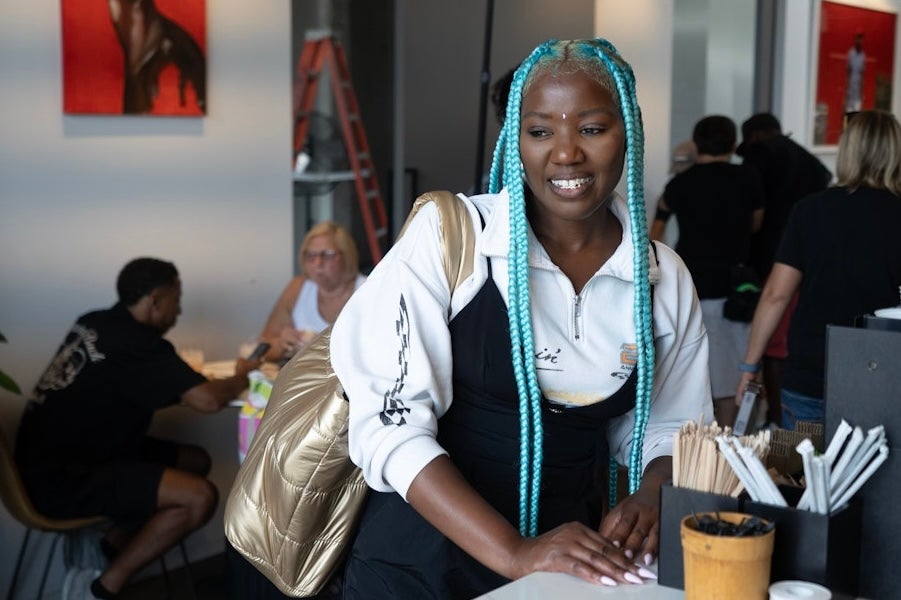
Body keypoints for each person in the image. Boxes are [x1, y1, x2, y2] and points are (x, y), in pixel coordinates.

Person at [329, 38, 713, 598]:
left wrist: (652, 491)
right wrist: (515, 552)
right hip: (420, 563)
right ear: (516, 139)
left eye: (591, 128)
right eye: (540, 131)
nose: (565, 153)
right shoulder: (452, 238)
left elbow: (673, 426)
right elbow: (389, 426)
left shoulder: (662, 276)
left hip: (570, 559)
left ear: (627, 131)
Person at [14, 257, 260, 599]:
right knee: (199, 498)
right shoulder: (141, 345)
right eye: (177, 298)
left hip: (39, 461)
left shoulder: (95, 322)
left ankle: (109, 547)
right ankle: (100, 588)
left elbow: (118, 382)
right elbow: (208, 401)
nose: (179, 310)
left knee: (195, 461)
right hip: (64, 478)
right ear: (156, 299)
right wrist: (242, 375)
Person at [736, 110, 901, 430]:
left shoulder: (811, 210)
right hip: (887, 374)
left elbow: (776, 295)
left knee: (803, 476)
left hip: (813, 371)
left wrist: (749, 365)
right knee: (883, 478)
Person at [650, 115, 764, 426]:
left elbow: (655, 234)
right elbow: (756, 223)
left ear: (696, 143)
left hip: (687, 285)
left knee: (689, 372)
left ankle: (698, 451)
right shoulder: (748, 177)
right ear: (733, 144)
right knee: (732, 377)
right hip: (734, 288)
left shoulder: (679, 184)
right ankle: (728, 450)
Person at [736, 113, 832, 425]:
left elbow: (755, 211)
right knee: (786, 340)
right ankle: (779, 417)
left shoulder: (760, 154)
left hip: (775, 260)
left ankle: (778, 419)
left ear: (753, 137)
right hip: (812, 260)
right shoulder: (806, 159)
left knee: (774, 344)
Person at [257, 221, 365, 363]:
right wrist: (283, 343)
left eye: (327, 255)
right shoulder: (298, 287)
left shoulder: (367, 290)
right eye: (311, 255)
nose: (317, 263)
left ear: (347, 256)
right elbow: (263, 348)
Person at [846, 33, 865, 115]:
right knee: (849, 106)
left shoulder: (863, 55)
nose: (859, 41)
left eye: (861, 40)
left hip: (858, 84)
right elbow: (848, 69)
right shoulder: (851, 53)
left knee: (857, 106)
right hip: (851, 83)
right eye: (858, 39)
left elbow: (862, 72)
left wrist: (862, 87)